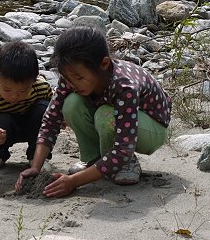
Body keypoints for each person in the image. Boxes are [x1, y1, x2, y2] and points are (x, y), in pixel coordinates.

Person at [16, 26, 171, 197]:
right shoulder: (71, 75)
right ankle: (94, 159)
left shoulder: (124, 85)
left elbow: (123, 148)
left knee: (105, 116)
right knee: (71, 103)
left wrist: (74, 181)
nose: (73, 84)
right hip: (119, 119)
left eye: (79, 78)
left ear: (104, 64)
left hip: (151, 128)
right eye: (68, 78)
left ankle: (126, 164)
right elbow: (51, 119)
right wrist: (35, 167)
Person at [0, 41, 53, 172]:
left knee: (45, 110)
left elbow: (56, 112)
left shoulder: (42, 87)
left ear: (34, 80)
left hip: (33, 126)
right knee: (2, 120)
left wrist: (62, 120)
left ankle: (37, 156)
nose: (14, 96)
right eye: (7, 90)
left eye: (22, 91)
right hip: (4, 130)